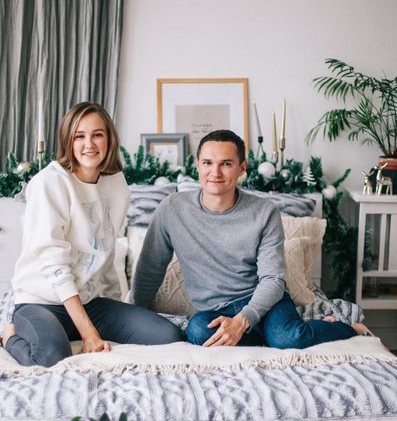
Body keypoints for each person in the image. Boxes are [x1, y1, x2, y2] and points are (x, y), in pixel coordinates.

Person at [130, 129, 367, 349]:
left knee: (288, 338)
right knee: (199, 332)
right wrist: (135, 313)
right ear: (197, 165)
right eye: (208, 163)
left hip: (265, 301)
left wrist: (244, 320)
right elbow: (150, 269)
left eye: (226, 164)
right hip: (215, 309)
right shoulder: (172, 209)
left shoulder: (264, 212)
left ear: (242, 168)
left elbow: (273, 279)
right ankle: (274, 334)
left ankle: (346, 328)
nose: (215, 172)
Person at [2, 101, 185, 366]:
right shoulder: (50, 182)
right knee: (50, 357)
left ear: (109, 138)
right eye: (79, 136)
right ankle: (9, 337)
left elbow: (105, 253)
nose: (89, 144)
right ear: (68, 140)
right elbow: (54, 263)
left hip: (90, 303)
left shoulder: (116, 183)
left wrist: (116, 309)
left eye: (97, 134)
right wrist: (88, 332)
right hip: (41, 302)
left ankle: (70, 329)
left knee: (168, 335)